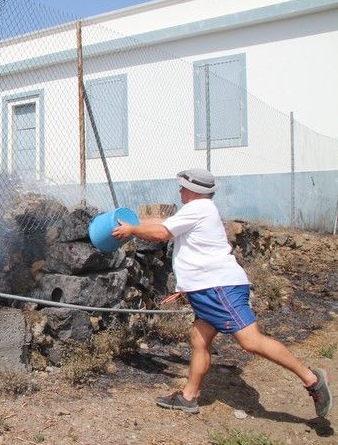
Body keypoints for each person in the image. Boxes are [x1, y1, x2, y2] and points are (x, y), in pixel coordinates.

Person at [111, 168, 333, 417]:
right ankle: (189, 396)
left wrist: (131, 231)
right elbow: (165, 225)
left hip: (219, 289)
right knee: (199, 340)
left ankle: (312, 378)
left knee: (251, 341)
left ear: (194, 190)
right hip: (209, 289)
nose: (180, 190)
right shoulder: (198, 210)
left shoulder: (199, 209)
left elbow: (162, 232)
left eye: (183, 186)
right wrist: (131, 223)